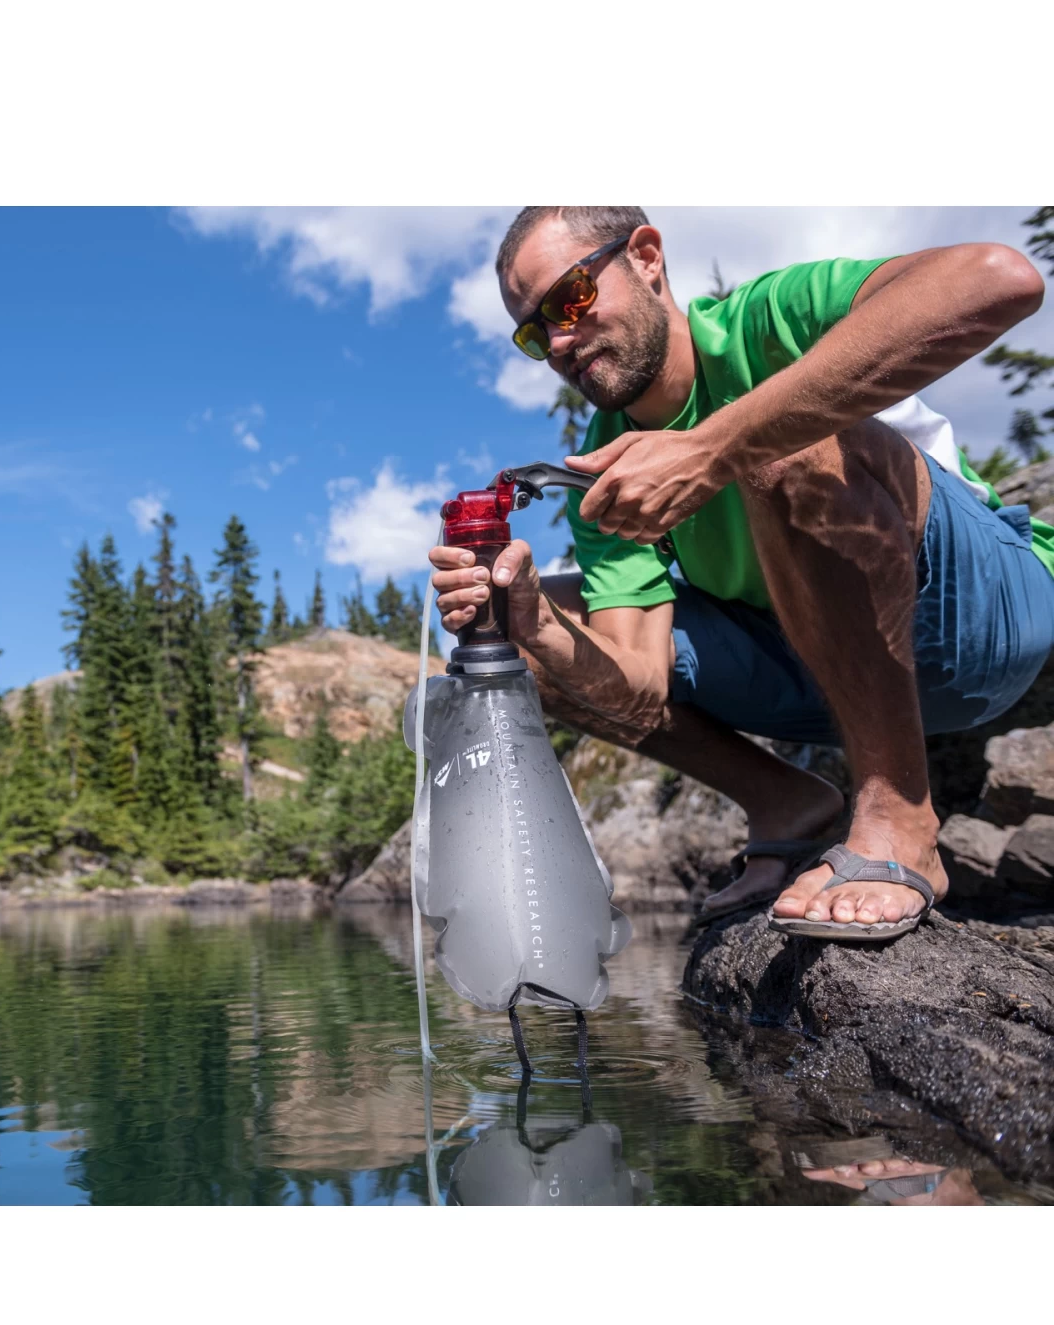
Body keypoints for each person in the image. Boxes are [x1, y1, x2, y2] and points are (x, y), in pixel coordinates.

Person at [430, 207, 1050, 940]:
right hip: (821, 669)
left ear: (647, 257)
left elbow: (1001, 280)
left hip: (978, 619)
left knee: (786, 451)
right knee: (510, 641)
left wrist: (712, 448)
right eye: (535, 334)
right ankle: (786, 804)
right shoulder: (603, 467)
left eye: (570, 299)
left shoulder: (768, 320)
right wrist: (536, 625)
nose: (559, 342)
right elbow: (640, 687)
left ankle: (900, 820)